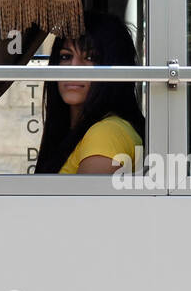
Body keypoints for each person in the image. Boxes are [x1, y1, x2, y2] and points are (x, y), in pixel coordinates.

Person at [34, 12, 145, 174]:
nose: (74, 68)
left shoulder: (106, 133)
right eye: (66, 56)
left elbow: (88, 200)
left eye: (90, 58)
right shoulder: (79, 131)